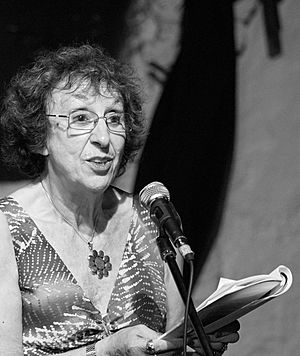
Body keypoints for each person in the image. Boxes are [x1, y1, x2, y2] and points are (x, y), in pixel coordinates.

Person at [0, 44, 240, 356]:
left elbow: (176, 342)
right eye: (82, 118)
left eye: (114, 118)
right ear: (39, 135)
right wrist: (106, 351)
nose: (103, 138)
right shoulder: (8, 228)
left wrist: (199, 343)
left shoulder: (151, 219)